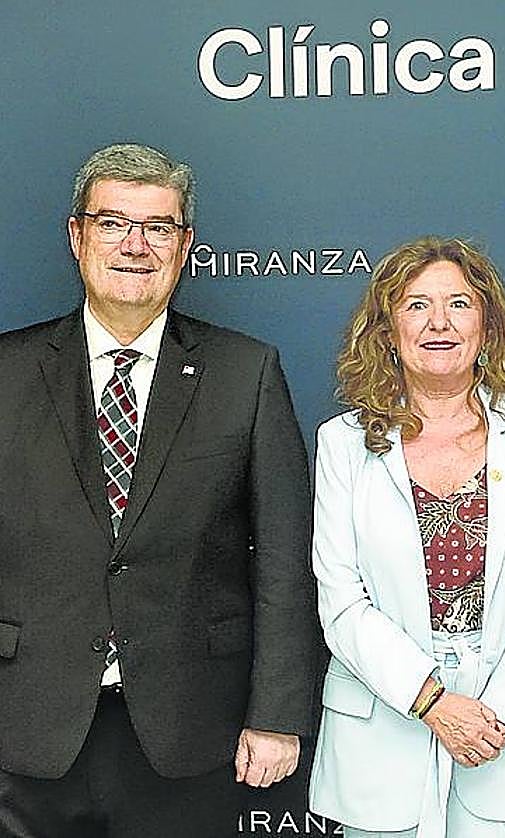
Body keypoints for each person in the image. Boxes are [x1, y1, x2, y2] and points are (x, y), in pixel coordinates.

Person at [0, 143, 321, 837]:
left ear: (185, 246)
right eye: (113, 223)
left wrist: (276, 714)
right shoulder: (7, 372)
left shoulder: (245, 372)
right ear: (77, 235)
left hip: (186, 730)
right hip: (23, 729)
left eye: (158, 227)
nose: (135, 245)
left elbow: (285, 559)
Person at [307, 237, 505, 837]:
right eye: (417, 305)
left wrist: (498, 711)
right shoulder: (343, 443)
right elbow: (342, 599)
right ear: (388, 331)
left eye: (459, 304)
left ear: (487, 325)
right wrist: (430, 700)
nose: (439, 322)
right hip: (383, 729)